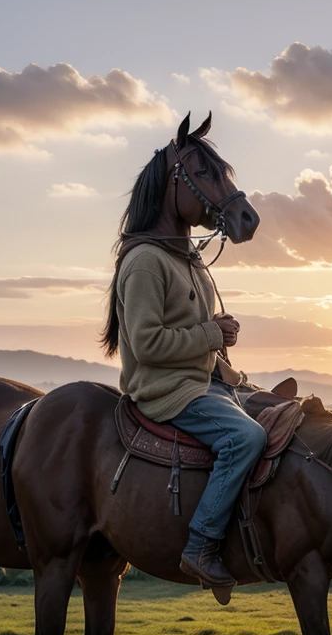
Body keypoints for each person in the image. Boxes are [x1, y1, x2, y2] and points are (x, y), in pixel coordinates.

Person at [112, 242, 266, 589]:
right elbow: (146, 344)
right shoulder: (146, 261)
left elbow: (182, 324)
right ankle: (200, 546)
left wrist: (216, 330)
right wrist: (211, 334)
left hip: (205, 380)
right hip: (168, 388)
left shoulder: (188, 258)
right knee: (245, 437)